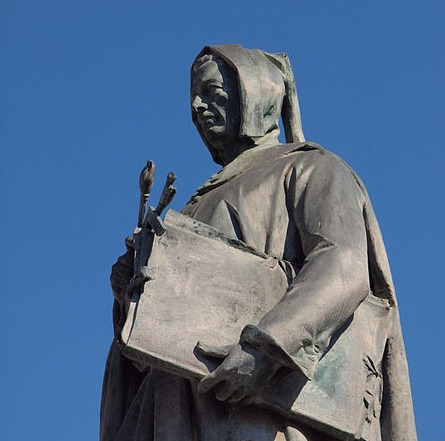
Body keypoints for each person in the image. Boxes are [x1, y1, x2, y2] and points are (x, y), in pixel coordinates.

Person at [100, 44, 417, 441]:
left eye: (213, 92)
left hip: (263, 413)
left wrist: (266, 349)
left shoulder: (312, 168)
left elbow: (343, 264)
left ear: (256, 93)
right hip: (174, 414)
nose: (198, 106)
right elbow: (151, 347)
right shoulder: (194, 205)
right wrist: (130, 297)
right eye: (193, 97)